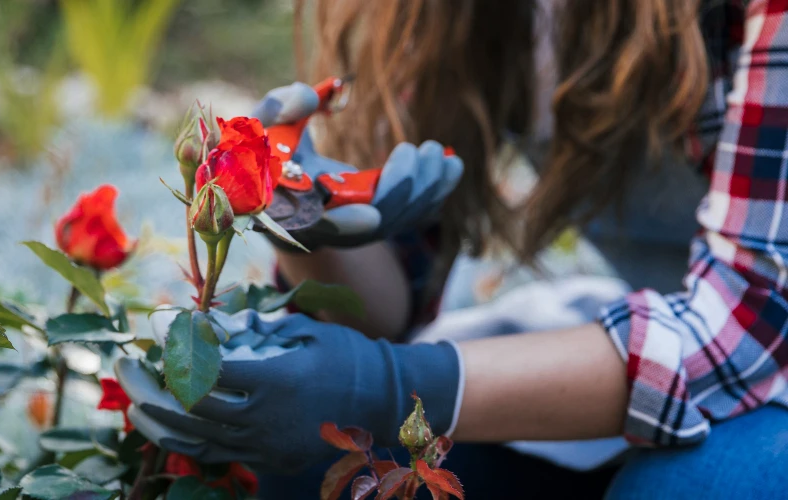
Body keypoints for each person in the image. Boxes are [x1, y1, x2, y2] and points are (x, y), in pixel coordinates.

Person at [118, 0, 788, 497]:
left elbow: (753, 322)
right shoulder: (468, 18)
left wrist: (389, 385)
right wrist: (304, 217)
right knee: (303, 471)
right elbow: (388, 309)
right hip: (684, 343)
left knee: (703, 486)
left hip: (753, 352)